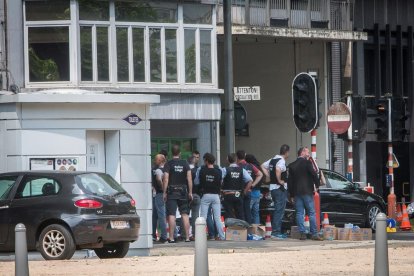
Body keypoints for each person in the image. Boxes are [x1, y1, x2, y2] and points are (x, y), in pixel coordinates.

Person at [288, 147, 323, 241]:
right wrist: (317, 185)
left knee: (299, 213)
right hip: (307, 191)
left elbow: (290, 182)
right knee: (311, 212)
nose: (308, 154)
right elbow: (314, 174)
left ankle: (302, 233)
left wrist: (291, 195)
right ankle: (314, 234)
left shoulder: (291, 165)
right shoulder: (307, 163)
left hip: (296, 193)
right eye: (307, 152)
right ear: (302, 152)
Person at [163, 145, 193, 243]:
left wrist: (164, 192)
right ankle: (187, 237)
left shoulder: (169, 164)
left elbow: (166, 179)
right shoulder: (185, 163)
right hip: (183, 191)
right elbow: (189, 179)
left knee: (172, 214)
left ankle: (171, 238)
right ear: (180, 153)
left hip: (172, 191)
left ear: (172, 153)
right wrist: (190, 192)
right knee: (185, 214)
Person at [261, 144, 290, 239]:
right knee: (279, 210)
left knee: (277, 209)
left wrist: (269, 176)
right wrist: (279, 180)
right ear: (286, 152)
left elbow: (262, 166)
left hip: (272, 188)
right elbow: (278, 170)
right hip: (279, 188)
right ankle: (276, 232)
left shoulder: (272, 159)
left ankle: (276, 231)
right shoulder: (281, 161)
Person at [195, 153, 225, 240]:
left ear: (207, 161)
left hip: (206, 195)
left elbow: (197, 182)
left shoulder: (202, 170)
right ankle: (222, 236)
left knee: (203, 217)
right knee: (217, 218)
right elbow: (221, 181)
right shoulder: (218, 171)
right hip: (216, 196)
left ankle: (201, 236)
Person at [222, 153, 253, 220]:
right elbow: (250, 180)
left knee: (229, 215)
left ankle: (230, 229)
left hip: (228, 195)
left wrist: (220, 190)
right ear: (236, 160)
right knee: (240, 214)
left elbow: (219, 180)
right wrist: (245, 191)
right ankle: (241, 229)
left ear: (227, 160)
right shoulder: (242, 170)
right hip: (238, 194)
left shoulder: (225, 169)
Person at [237, 150, 263, 224]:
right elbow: (260, 174)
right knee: (251, 212)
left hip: (240, 192)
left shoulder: (237, 166)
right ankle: (253, 229)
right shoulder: (251, 166)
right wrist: (252, 184)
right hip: (250, 191)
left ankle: (242, 229)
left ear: (237, 157)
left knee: (241, 211)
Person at [151, 154, 168, 243]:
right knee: (168, 215)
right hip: (168, 195)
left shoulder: (158, 170)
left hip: (160, 194)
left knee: (161, 216)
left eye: (156, 159)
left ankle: (164, 237)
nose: (155, 160)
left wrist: (163, 189)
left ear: (161, 160)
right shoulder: (167, 169)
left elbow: (158, 179)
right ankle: (174, 236)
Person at [245, 154, 264, 224]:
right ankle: (256, 230)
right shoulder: (259, 167)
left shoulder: (249, 167)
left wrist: (252, 185)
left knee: (248, 212)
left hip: (251, 191)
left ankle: (249, 229)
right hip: (258, 192)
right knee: (256, 212)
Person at [188, 155, 201, 241]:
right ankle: (195, 234)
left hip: (186, 194)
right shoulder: (198, 170)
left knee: (184, 215)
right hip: (196, 194)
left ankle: (185, 234)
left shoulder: (186, 170)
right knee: (195, 215)